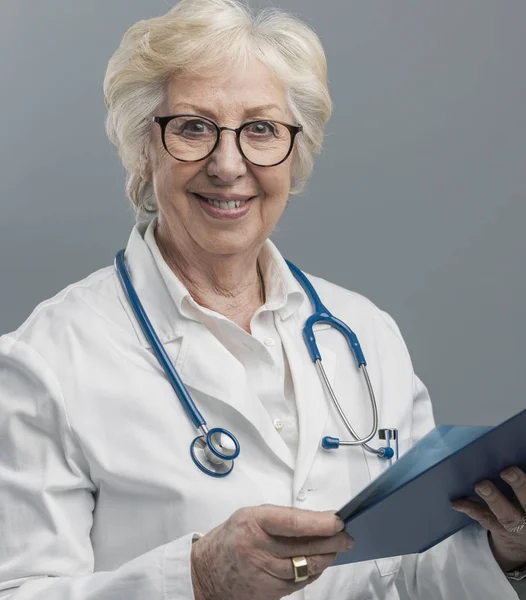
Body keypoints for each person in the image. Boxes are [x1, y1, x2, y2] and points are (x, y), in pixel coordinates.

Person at [0, 0, 525, 598]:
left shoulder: (366, 333)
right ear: (144, 150)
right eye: (193, 127)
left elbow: (411, 576)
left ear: (295, 151)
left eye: (261, 129)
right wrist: (196, 579)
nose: (229, 164)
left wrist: (503, 549)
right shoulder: (43, 363)